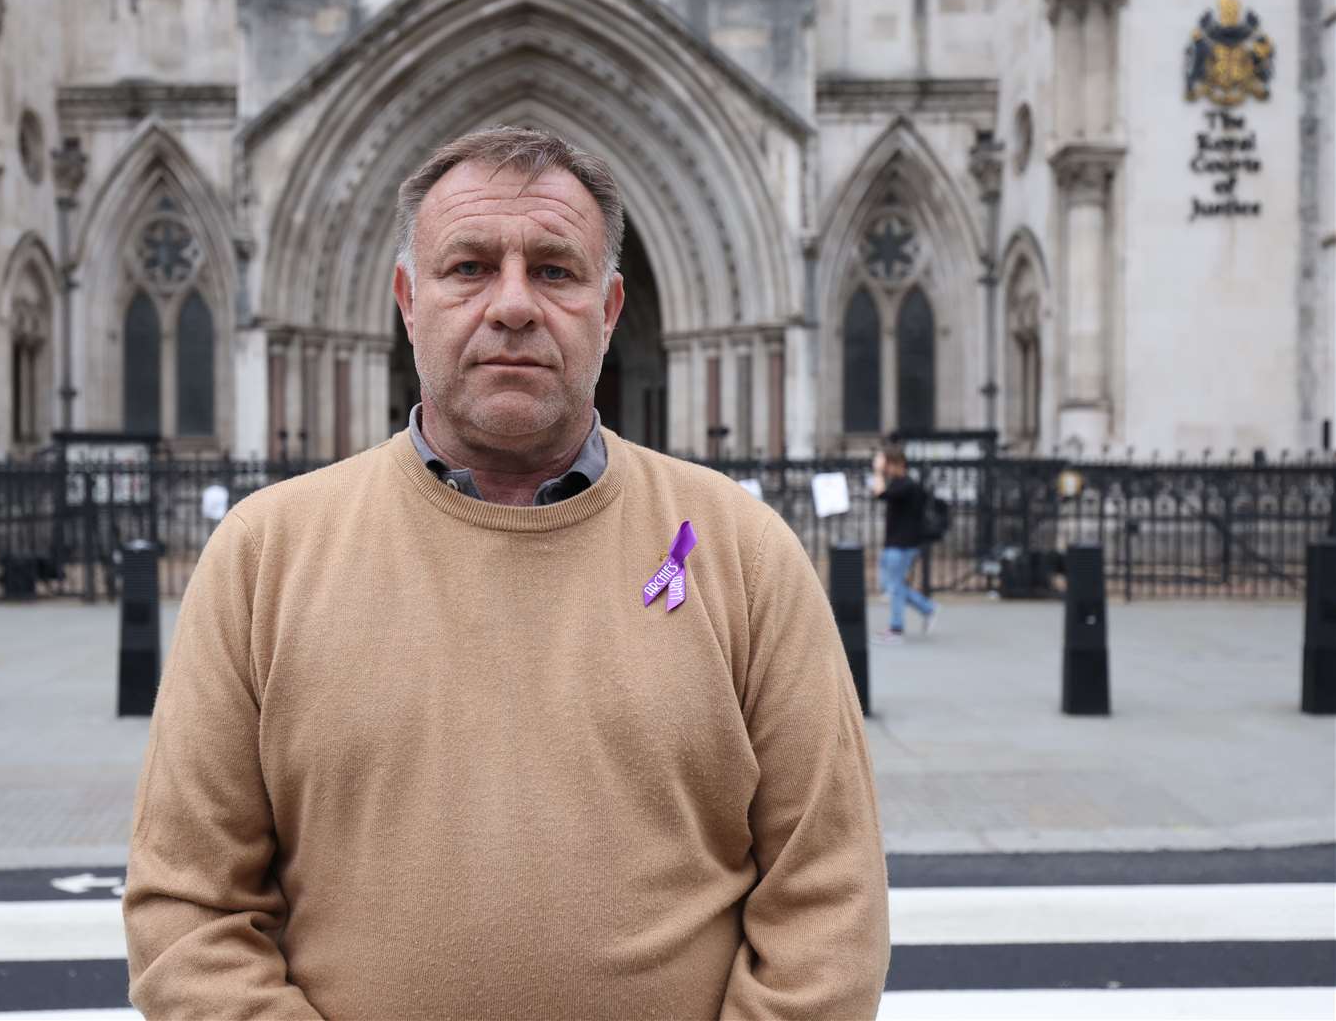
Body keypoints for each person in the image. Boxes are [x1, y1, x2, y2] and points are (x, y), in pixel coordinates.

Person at [123, 126, 890, 1019]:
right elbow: (188, 910)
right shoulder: (264, 554)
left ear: (608, 312)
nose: (513, 305)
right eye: (469, 267)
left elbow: (827, 897)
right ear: (408, 301)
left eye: (556, 271)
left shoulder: (741, 549)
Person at [869, 444, 940, 645]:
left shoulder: (907, 485)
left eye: (887, 464)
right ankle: (928, 608)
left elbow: (880, 494)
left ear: (897, 463)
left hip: (902, 544)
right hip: (896, 543)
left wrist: (876, 471)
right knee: (890, 585)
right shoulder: (899, 483)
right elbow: (879, 493)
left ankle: (896, 628)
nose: (885, 469)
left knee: (895, 586)